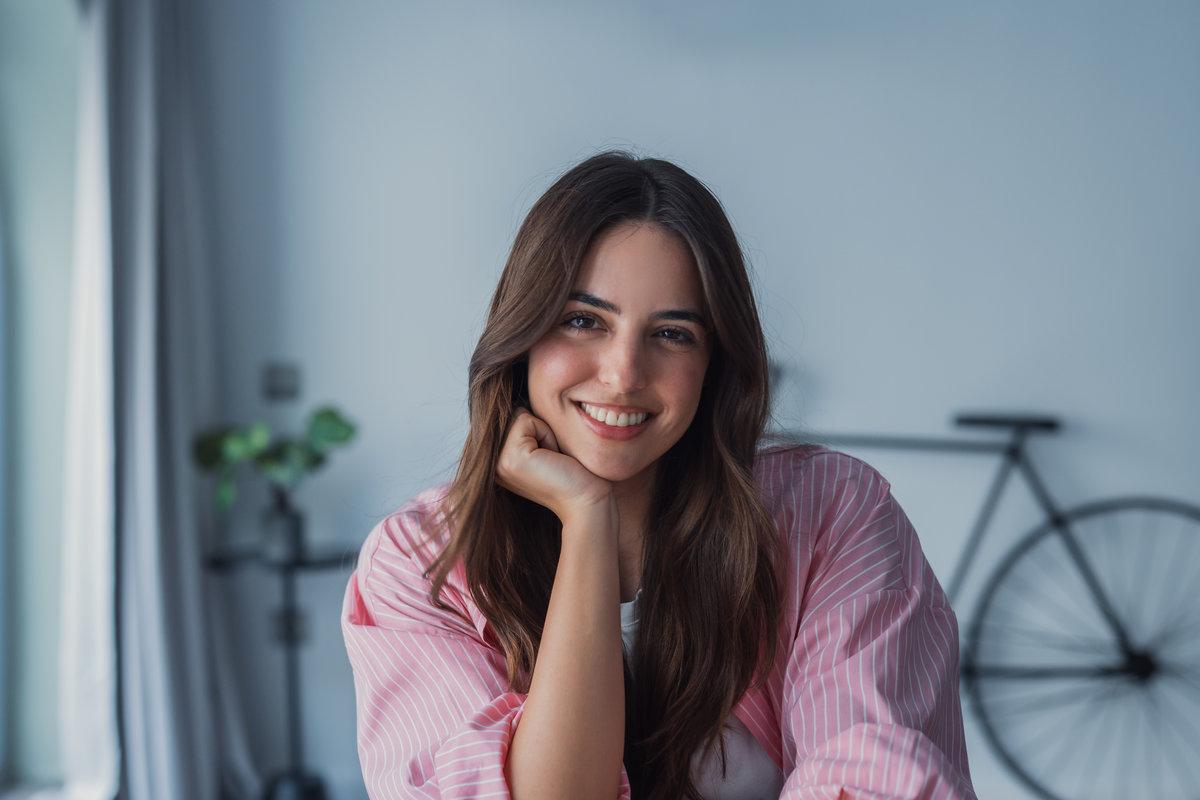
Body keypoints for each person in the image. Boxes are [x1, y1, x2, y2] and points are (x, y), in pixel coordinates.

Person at [341, 151, 977, 800]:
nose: (623, 373)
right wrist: (587, 519)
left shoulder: (830, 512)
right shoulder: (420, 564)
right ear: (523, 333)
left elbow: (871, 777)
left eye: (672, 333)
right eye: (583, 320)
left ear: (714, 361)